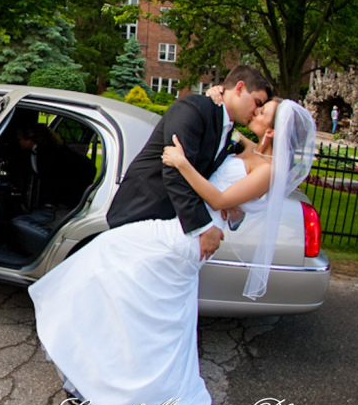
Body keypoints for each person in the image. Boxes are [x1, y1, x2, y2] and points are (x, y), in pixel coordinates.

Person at [29, 96, 316, 405]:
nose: (256, 110)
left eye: (263, 111)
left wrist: (182, 163)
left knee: (106, 250)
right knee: (146, 313)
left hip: (192, 236)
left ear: (272, 131)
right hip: (189, 230)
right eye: (259, 104)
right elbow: (226, 133)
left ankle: (101, 374)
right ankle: (111, 379)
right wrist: (216, 98)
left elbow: (220, 198)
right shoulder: (252, 149)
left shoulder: (270, 169)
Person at [106, 65, 273, 261]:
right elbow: (173, 171)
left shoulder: (230, 130)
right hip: (143, 212)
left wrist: (232, 205)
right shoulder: (193, 109)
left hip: (176, 230)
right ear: (240, 88)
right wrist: (204, 227)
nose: (256, 111)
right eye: (257, 102)